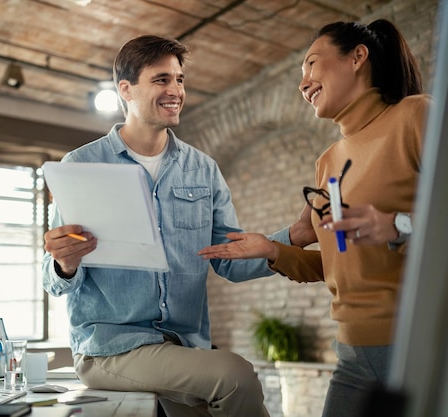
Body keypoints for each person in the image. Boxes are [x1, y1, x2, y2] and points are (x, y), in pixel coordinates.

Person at [42, 35, 294, 417]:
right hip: (112, 348)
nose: (175, 90)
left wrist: (294, 239)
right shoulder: (80, 165)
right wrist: (66, 264)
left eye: (180, 80)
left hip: (184, 348)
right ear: (126, 89)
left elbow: (230, 260)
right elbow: (53, 279)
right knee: (236, 376)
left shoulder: (203, 169)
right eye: (161, 79)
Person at [198, 19, 430, 417]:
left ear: (358, 57)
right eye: (301, 74)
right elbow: (333, 263)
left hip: (415, 345)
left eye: (311, 64)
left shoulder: (415, 117)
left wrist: (397, 225)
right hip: (353, 353)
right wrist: (273, 250)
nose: (303, 83)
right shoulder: (328, 163)